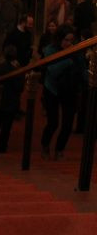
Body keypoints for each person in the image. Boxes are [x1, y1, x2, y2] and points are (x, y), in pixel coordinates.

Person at [41, 24, 87, 160]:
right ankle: (45, 145)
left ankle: (60, 149)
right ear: (59, 39)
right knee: (53, 122)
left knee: (67, 123)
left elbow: (82, 68)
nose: (69, 43)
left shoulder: (76, 50)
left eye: (71, 40)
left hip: (70, 89)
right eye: (66, 40)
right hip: (53, 89)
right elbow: (53, 70)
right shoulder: (50, 50)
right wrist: (69, 58)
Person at [0, 45, 23, 155]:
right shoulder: (17, 69)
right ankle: (2, 146)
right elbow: (20, 87)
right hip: (12, 100)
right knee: (7, 126)